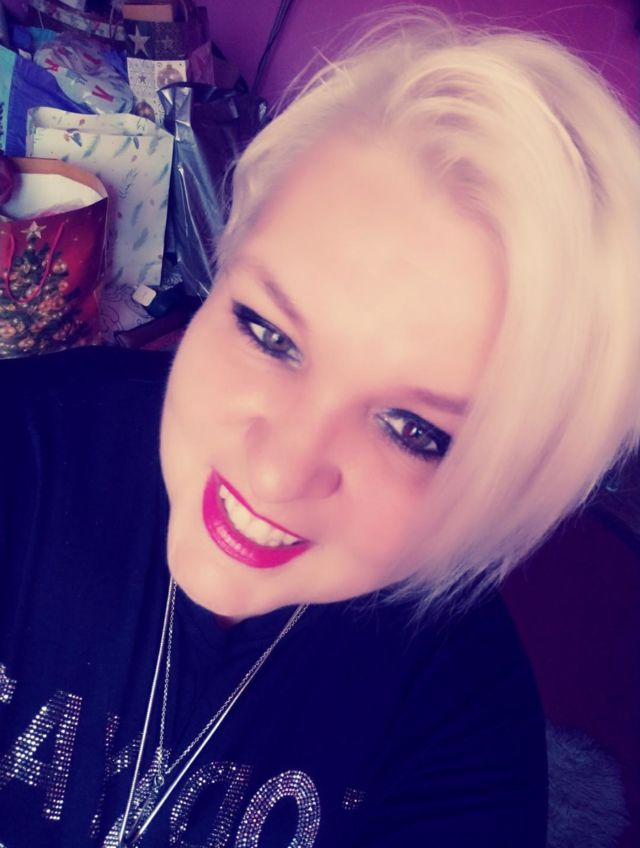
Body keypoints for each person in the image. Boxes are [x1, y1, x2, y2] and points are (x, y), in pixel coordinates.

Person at [1, 8, 639, 847]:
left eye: (414, 430)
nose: (277, 471)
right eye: (268, 334)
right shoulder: (25, 452)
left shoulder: (458, 734)